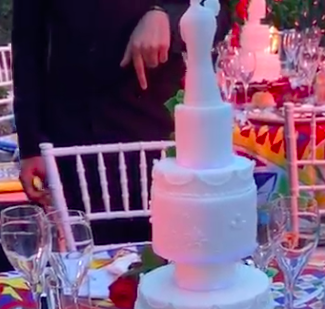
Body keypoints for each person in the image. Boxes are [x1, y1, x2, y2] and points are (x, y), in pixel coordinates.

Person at [12, 0, 230, 244]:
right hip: (78, 137)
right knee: (95, 263)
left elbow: (218, 12)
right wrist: (30, 144)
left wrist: (166, 18)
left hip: (164, 131)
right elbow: (28, 48)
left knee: (178, 255)